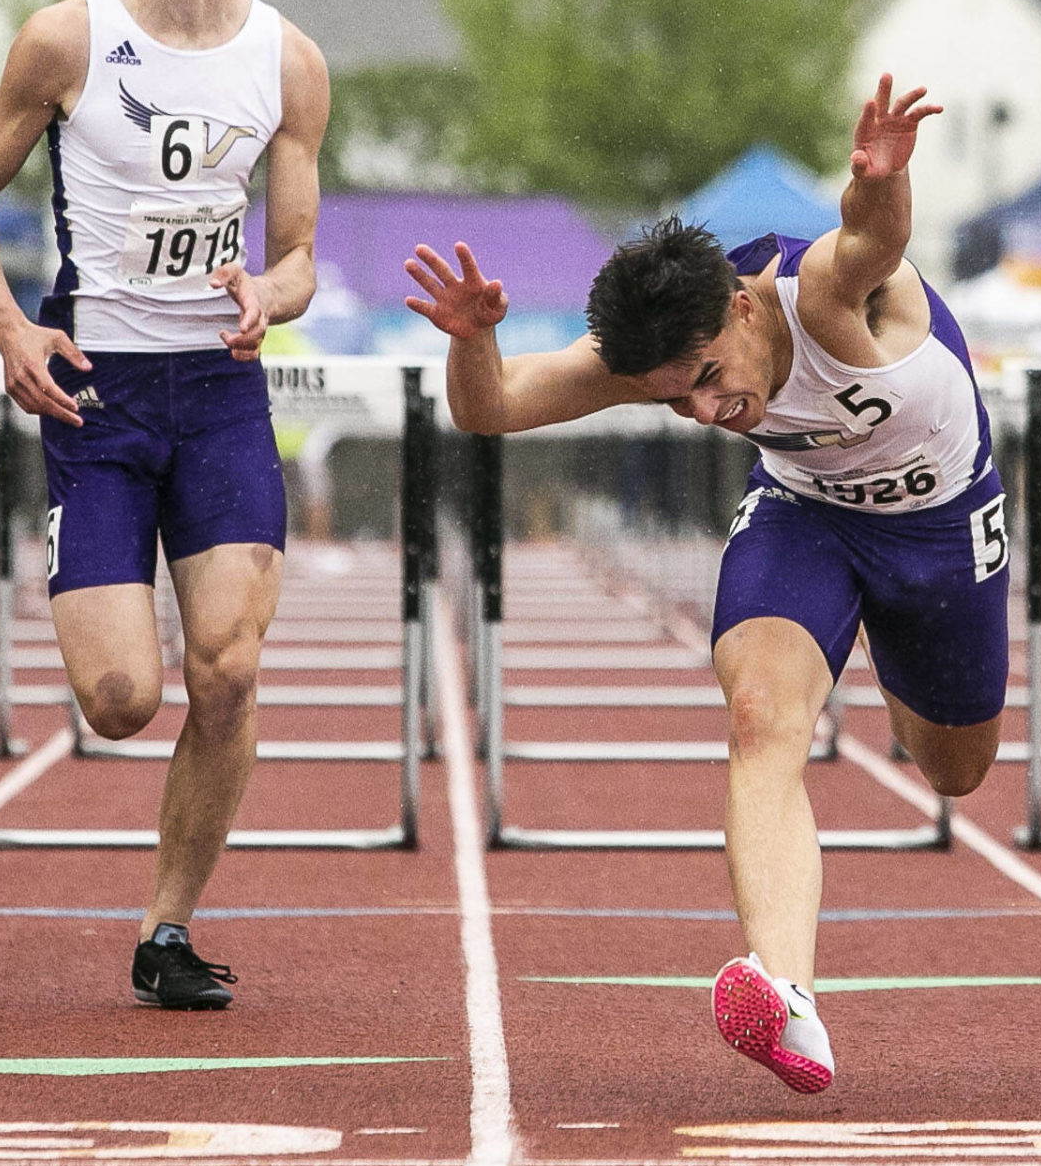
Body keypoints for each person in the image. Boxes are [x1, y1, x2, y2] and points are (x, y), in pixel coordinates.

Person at [405, 75, 1007, 1092]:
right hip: (807, 517)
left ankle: (900, 691)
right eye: (670, 397)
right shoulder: (657, 351)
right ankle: (792, 999)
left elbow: (870, 242)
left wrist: (879, 183)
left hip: (938, 528)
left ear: (741, 306)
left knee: (953, 770)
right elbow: (493, 409)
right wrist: (474, 341)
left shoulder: (821, 294)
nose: (700, 409)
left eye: (705, 375)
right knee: (761, 715)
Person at [0, 0, 328, 1011]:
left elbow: (304, 253)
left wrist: (266, 287)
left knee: (227, 667)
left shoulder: (288, 58)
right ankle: (159, 881)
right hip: (95, 394)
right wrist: (11, 327)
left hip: (218, 390)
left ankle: (168, 924)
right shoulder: (65, 38)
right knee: (121, 700)